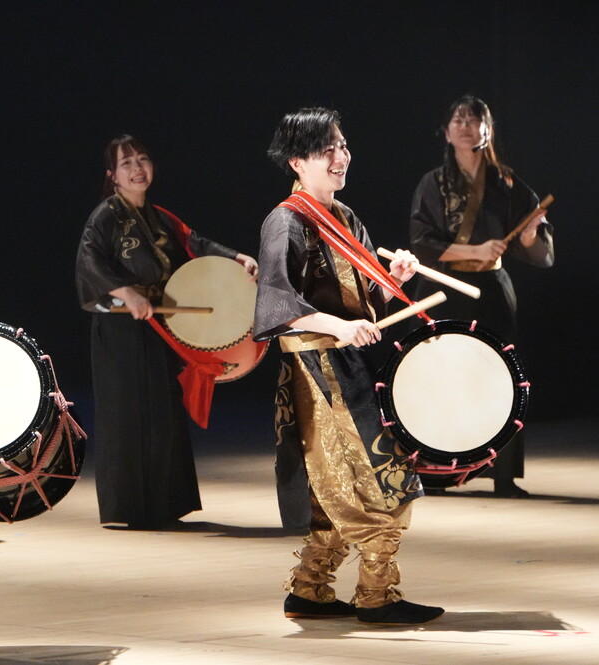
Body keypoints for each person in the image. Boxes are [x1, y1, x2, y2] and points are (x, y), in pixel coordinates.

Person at [254, 107, 443, 625]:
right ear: (298, 162)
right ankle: (378, 596)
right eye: (327, 149)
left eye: (343, 145)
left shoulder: (344, 218)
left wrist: (391, 278)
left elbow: (364, 300)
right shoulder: (286, 221)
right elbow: (276, 306)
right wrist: (337, 327)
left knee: (336, 483)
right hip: (317, 372)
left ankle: (310, 589)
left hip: (348, 365)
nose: (342, 157)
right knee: (379, 477)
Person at [75, 134, 258, 530]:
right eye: (127, 164)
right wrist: (126, 293)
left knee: (161, 410)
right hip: (121, 327)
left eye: (142, 160)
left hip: (157, 324)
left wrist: (236, 257)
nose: (137, 168)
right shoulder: (106, 215)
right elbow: (88, 263)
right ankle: (131, 508)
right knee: (131, 412)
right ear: (113, 176)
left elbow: (195, 244)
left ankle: (162, 503)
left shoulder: (159, 217)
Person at [409, 95, 554, 499]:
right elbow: (421, 242)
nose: (465, 124)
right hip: (442, 289)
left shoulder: (508, 184)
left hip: (491, 290)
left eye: (474, 119)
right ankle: (435, 472)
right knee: (436, 379)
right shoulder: (432, 182)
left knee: (500, 379)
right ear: (446, 131)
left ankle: (502, 474)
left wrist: (528, 235)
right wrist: (475, 250)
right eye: (457, 119)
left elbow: (536, 245)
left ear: (487, 131)